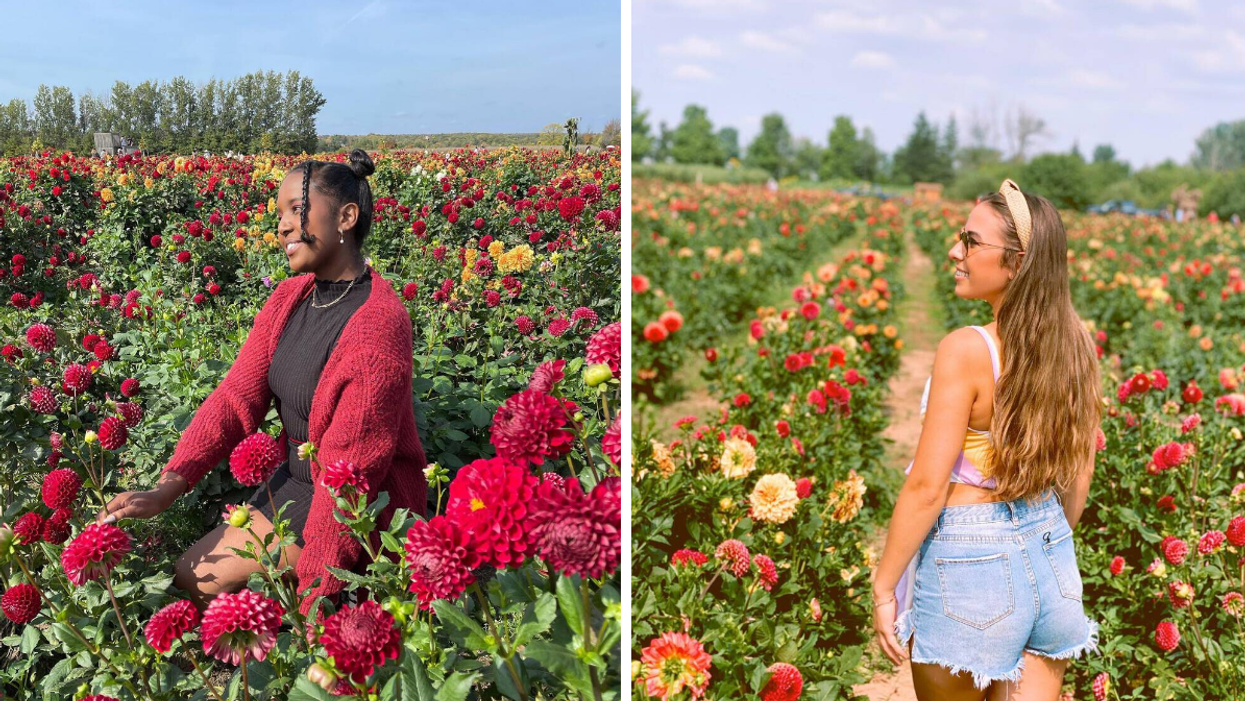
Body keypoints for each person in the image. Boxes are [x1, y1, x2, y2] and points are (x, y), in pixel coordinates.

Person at [96, 149, 428, 616]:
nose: (284, 227)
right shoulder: (293, 296)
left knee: (269, 598)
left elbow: (349, 484)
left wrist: (318, 608)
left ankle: (331, 610)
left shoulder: (377, 327)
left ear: (346, 217)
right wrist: (167, 487)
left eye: (297, 210)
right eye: (280, 216)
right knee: (191, 574)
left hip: (365, 505)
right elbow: (236, 398)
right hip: (298, 478)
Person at [871, 179, 1101, 700]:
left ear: (1017, 262)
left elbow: (928, 486)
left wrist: (884, 586)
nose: (956, 251)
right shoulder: (1076, 345)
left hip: (971, 562)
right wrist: (1037, 540)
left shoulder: (967, 349)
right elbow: (1080, 471)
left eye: (972, 242)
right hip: (1052, 557)